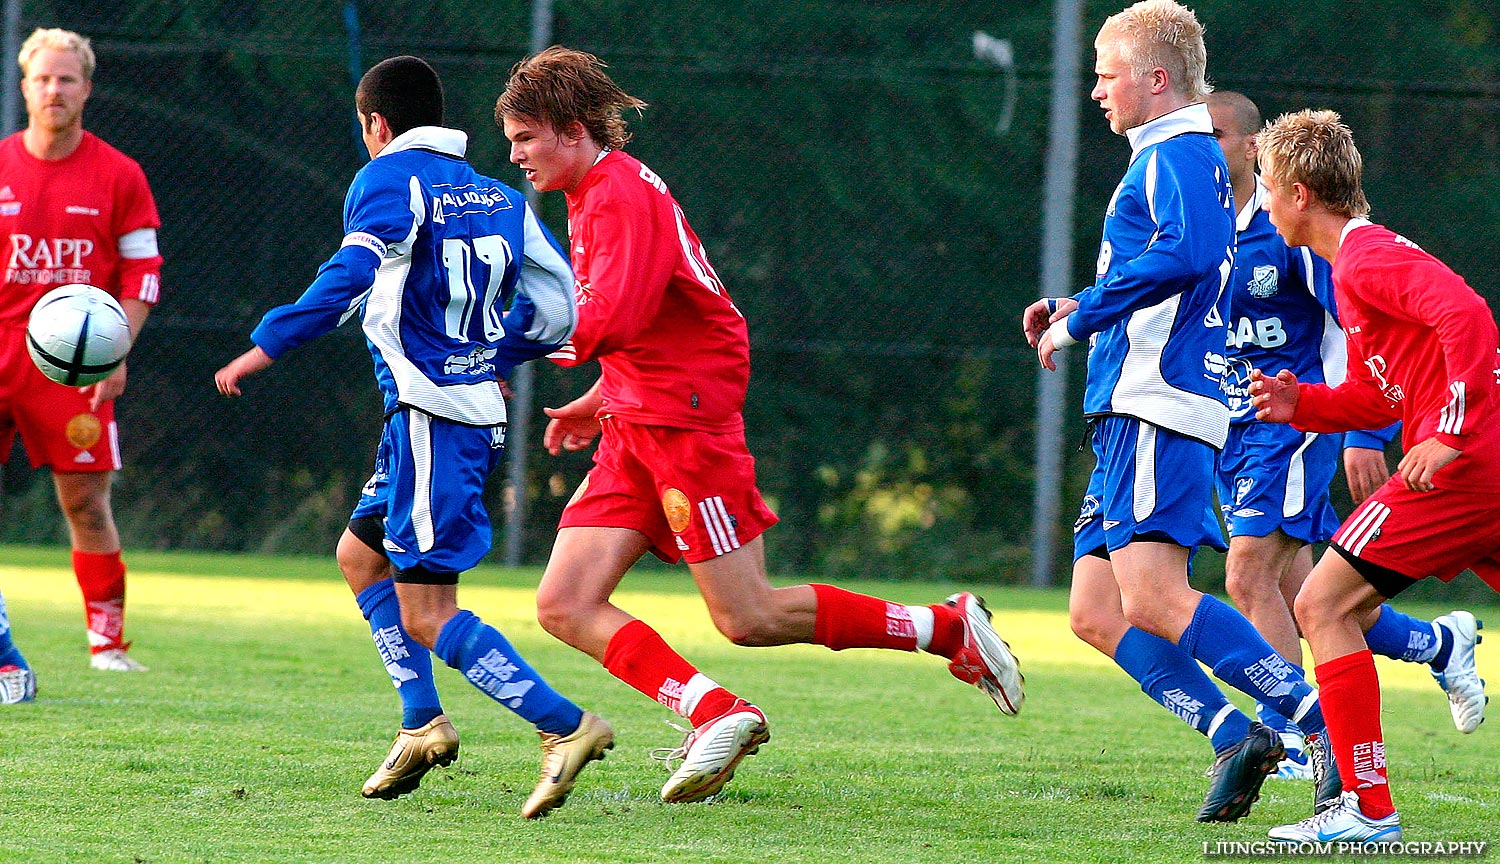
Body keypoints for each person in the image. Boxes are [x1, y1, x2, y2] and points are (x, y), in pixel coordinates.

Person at [495, 46, 1024, 806]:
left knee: (749, 615)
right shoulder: (596, 191)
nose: (515, 156)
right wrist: (600, 397)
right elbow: (650, 315)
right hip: (638, 420)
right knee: (564, 603)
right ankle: (717, 711)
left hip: (684, 421)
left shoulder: (616, 194)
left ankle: (946, 630)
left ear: (573, 129)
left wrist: (506, 343)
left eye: (524, 138)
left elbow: (614, 314)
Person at [214, 55, 609, 819]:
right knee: (359, 556)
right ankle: (422, 721)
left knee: (428, 609)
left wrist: (268, 342)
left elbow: (352, 273)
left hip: (434, 420)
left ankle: (565, 727)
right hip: (443, 420)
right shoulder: (497, 194)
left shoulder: (387, 181)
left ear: (376, 124)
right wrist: (494, 356)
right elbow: (561, 308)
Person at [1023, 1, 1341, 823]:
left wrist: (1083, 318)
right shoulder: (1176, 155)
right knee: (1097, 612)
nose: (1098, 90)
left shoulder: (1175, 149)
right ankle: (1236, 735)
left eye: (1108, 74)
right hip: (1139, 401)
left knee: (1158, 598)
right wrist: (1084, 299)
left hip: (1153, 403)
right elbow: (1179, 269)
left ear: (1154, 79)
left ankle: (1316, 724)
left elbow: (1190, 255)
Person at [1207, 91, 1485, 778]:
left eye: (1271, 188)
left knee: (1310, 598)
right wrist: (1299, 402)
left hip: (1463, 463)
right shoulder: (1351, 265)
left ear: (1299, 193)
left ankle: (1340, 776)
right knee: (1323, 597)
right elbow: (1369, 389)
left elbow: (1469, 314)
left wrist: (1451, 429)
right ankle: (1431, 657)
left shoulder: (1361, 259)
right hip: (1472, 462)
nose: (1265, 203)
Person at [0, 28, 162, 674]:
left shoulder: (119, 173)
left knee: (87, 504)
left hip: (73, 367)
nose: (54, 90)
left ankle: (108, 647)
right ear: (24, 87)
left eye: (66, 78)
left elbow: (142, 273)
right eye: (42, 78)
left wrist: (115, 351)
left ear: (87, 88)